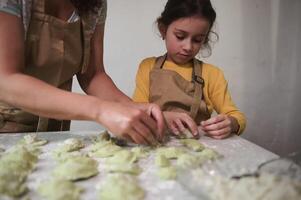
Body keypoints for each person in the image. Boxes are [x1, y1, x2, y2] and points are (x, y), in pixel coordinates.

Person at [0, 0, 165, 145]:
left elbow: (92, 74)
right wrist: (101, 110)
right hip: (7, 124)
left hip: (56, 126)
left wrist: (136, 112)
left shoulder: (95, 4)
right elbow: (6, 79)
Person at [133, 0, 246, 139]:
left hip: (197, 147)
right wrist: (163, 117)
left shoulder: (212, 74)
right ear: (163, 29)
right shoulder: (148, 67)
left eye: (197, 40)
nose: (188, 47)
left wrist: (232, 123)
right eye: (180, 36)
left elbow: (236, 115)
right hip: (156, 143)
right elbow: (137, 111)